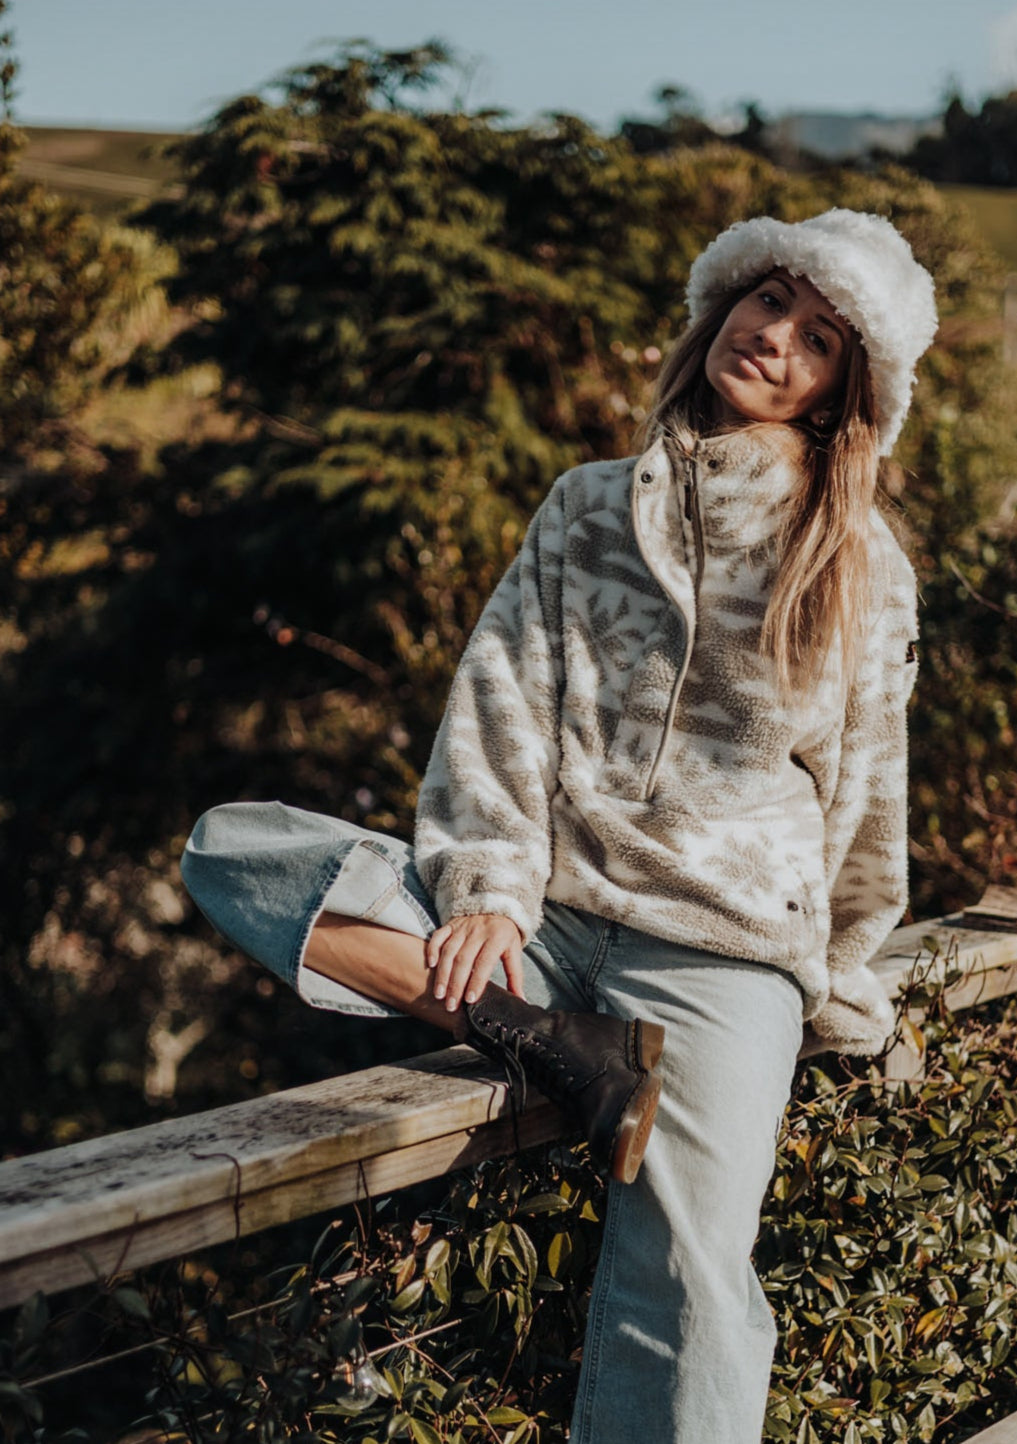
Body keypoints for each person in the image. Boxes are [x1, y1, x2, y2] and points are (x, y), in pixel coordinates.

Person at [182, 207, 937, 1444]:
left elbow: (866, 788)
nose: (776, 338)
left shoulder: (859, 557)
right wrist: (485, 883)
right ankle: (550, 1044)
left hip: (723, 951)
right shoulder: (586, 505)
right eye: (769, 301)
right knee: (237, 850)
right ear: (722, 308)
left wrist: (838, 977)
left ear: (838, 391)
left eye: (819, 336)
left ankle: (572, 1047)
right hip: (541, 922)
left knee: (691, 1288)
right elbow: (501, 697)